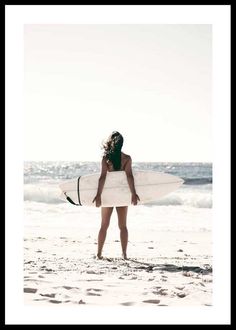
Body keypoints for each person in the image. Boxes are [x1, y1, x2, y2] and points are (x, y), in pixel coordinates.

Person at [93, 131, 140, 260]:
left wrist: (98, 195)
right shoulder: (127, 159)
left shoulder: (106, 158)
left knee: (104, 225)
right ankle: (124, 254)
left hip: (108, 195)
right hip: (122, 195)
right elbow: (129, 177)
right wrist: (133, 194)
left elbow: (102, 178)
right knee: (123, 226)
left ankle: (99, 254)